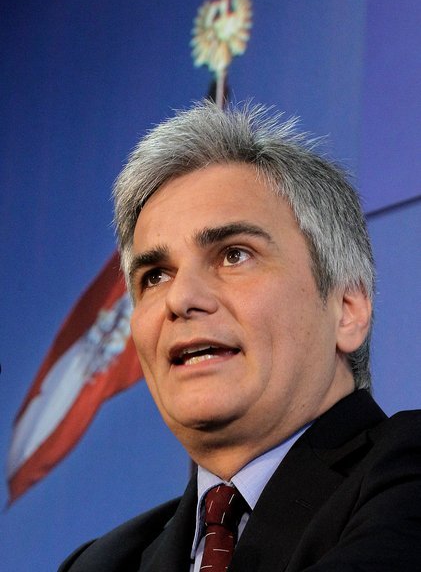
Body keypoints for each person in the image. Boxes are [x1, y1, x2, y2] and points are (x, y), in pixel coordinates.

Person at [59, 102, 421, 571]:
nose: (180, 298)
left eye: (234, 255)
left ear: (348, 308)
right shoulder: (102, 563)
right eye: (155, 276)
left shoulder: (406, 476)